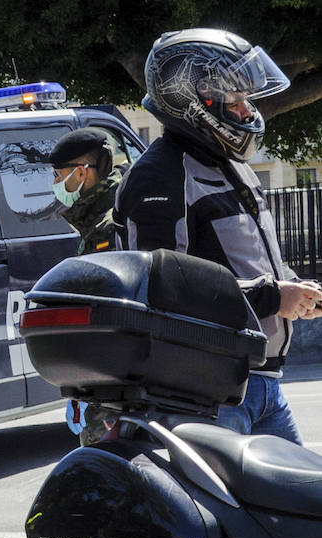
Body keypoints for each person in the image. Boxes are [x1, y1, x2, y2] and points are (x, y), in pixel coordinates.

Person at [115, 28, 322, 442]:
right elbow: (160, 292)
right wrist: (271, 296)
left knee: (299, 505)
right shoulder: (160, 176)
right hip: (207, 392)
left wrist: (293, 288)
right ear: (192, 100)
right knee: (219, 508)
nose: (247, 111)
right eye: (235, 99)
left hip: (262, 386)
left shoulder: (231, 164)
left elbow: (246, 260)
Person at [49, 128, 123, 446]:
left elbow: (105, 314)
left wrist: (84, 385)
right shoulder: (101, 219)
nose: (54, 184)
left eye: (57, 175)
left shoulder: (107, 227)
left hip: (112, 385)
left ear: (81, 173)